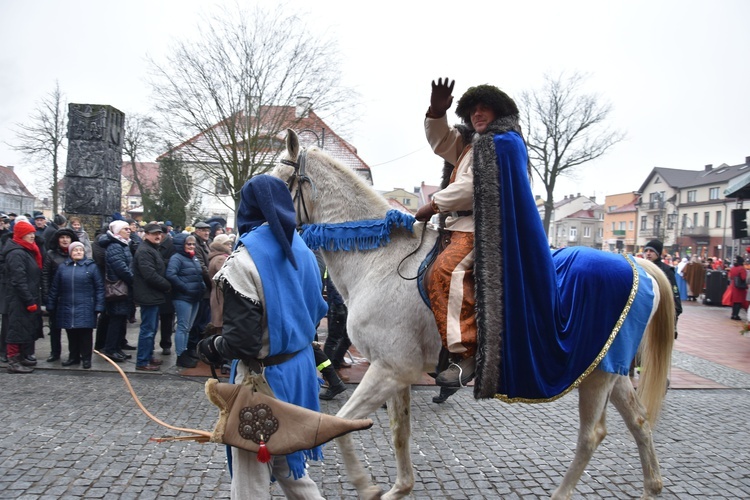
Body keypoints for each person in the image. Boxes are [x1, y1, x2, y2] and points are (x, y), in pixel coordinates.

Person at [197, 175, 328, 498]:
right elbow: (317, 310)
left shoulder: (245, 260)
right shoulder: (304, 251)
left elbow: (242, 343)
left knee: (251, 471)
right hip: (299, 371)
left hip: (263, 379)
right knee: (286, 463)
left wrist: (211, 347)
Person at [414, 78, 522, 387]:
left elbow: (473, 187)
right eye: (473, 109)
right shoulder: (469, 143)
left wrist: (434, 204)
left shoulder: (500, 144)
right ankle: (441, 346)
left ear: (498, 113)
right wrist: (436, 111)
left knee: (446, 271)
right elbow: (440, 141)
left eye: (484, 108)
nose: (477, 113)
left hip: (482, 229)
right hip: (455, 227)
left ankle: (468, 354)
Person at [46, 241, 105, 368]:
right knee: (71, 333)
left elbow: (99, 287)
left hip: (86, 306)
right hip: (67, 306)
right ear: (70, 252)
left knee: (85, 335)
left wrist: (99, 305)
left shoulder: (91, 267)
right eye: (75, 250)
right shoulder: (63, 267)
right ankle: (73, 357)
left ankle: (86, 358)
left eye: (80, 250)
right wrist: (50, 304)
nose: (78, 252)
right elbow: (55, 287)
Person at [2, 220, 43, 373]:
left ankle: (21, 356)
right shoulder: (16, 253)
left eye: (33, 232)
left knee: (24, 327)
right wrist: (28, 299)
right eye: (28, 233)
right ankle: (13, 360)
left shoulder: (27, 250)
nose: (32, 235)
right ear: (20, 235)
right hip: (19, 297)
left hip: (27, 295)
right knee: (16, 328)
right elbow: (18, 279)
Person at [133, 223, 173, 371]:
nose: (158, 236)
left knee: (151, 329)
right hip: (148, 295)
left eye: (159, 233)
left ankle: (148, 356)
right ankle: (142, 361)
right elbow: (150, 275)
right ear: (146, 234)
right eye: (154, 233)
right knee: (148, 330)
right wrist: (167, 285)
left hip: (153, 295)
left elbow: (160, 265)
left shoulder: (151, 249)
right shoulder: (145, 251)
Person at [166, 233, 206, 368]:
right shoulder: (176, 258)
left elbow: (198, 274)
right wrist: (184, 288)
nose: (191, 246)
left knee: (188, 328)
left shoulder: (192, 257)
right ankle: (180, 355)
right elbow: (171, 274)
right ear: (181, 245)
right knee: (182, 327)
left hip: (195, 296)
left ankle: (185, 352)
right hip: (183, 297)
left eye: (193, 244)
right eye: (188, 244)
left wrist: (202, 287)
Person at [41, 227, 79, 362]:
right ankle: (55, 352)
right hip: (55, 295)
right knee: (55, 327)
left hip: (71, 296)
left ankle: (73, 354)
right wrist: (46, 294)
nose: (65, 240)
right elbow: (45, 275)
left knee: (72, 328)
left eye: (67, 237)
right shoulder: (51, 254)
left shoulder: (76, 253)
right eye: (62, 237)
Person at [100, 220, 135, 362]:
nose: (129, 231)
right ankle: (110, 349)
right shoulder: (115, 246)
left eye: (129, 228)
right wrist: (134, 279)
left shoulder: (123, 244)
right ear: (117, 232)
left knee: (121, 320)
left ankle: (117, 347)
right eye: (125, 229)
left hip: (124, 288)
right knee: (116, 319)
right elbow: (121, 268)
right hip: (118, 289)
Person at [207, 233, 233, 334]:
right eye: (227, 243)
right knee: (220, 323)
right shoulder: (221, 259)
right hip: (220, 294)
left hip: (218, 293)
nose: (230, 245)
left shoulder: (217, 257)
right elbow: (226, 276)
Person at [727, 255, 747, 320]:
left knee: (734, 301)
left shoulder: (733, 268)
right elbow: (743, 278)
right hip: (740, 286)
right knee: (739, 301)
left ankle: (733, 314)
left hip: (733, 285)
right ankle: (736, 315)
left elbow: (730, 276)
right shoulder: (742, 268)